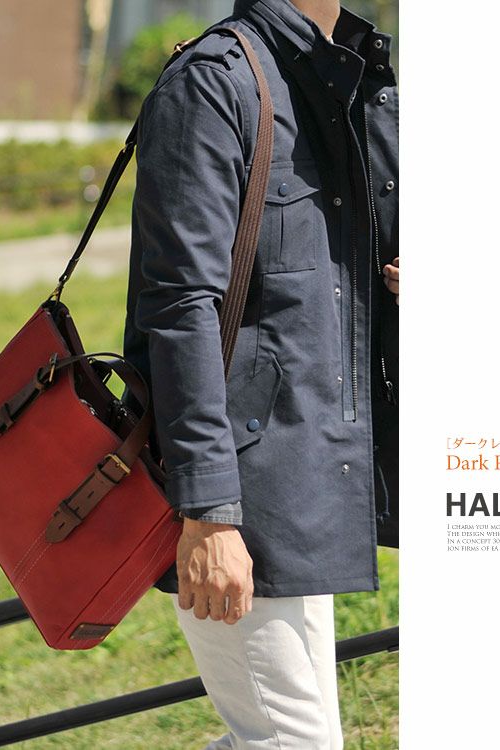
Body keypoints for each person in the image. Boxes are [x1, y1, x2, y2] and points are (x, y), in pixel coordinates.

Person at [123, 0, 398, 746]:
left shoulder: (348, 75)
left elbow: (332, 290)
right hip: (241, 491)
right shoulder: (211, 82)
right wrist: (209, 513)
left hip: (314, 480)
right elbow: (179, 307)